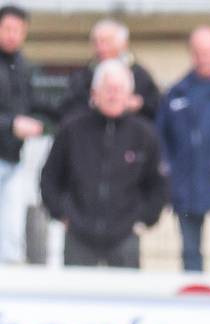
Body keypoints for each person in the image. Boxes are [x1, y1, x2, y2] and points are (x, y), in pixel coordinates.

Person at [39, 59, 166, 269]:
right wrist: (62, 213)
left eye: (119, 90)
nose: (113, 95)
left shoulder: (145, 135)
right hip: (78, 236)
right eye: (108, 89)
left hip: (125, 237)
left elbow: (158, 184)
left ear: (130, 95)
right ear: (94, 93)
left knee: (125, 291)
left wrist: (142, 219)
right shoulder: (71, 130)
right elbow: (50, 177)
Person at [158, 26, 210, 273]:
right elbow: (161, 138)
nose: (203, 58)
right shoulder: (177, 92)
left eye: (208, 51)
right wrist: (168, 173)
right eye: (197, 52)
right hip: (187, 186)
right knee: (190, 254)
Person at [0, 4, 45, 264]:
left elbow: (33, 104)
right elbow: (13, 118)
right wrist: (11, 125)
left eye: (18, 30)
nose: (12, 35)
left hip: (13, 158)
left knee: (11, 234)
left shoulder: (23, 66)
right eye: (7, 28)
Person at [58, 19, 159, 123]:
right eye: (96, 42)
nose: (100, 48)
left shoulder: (139, 75)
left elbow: (156, 109)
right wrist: (94, 105)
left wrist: (140, 105)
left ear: (124, 44)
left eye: (106, 42)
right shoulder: (83, 76)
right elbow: (68, 109)